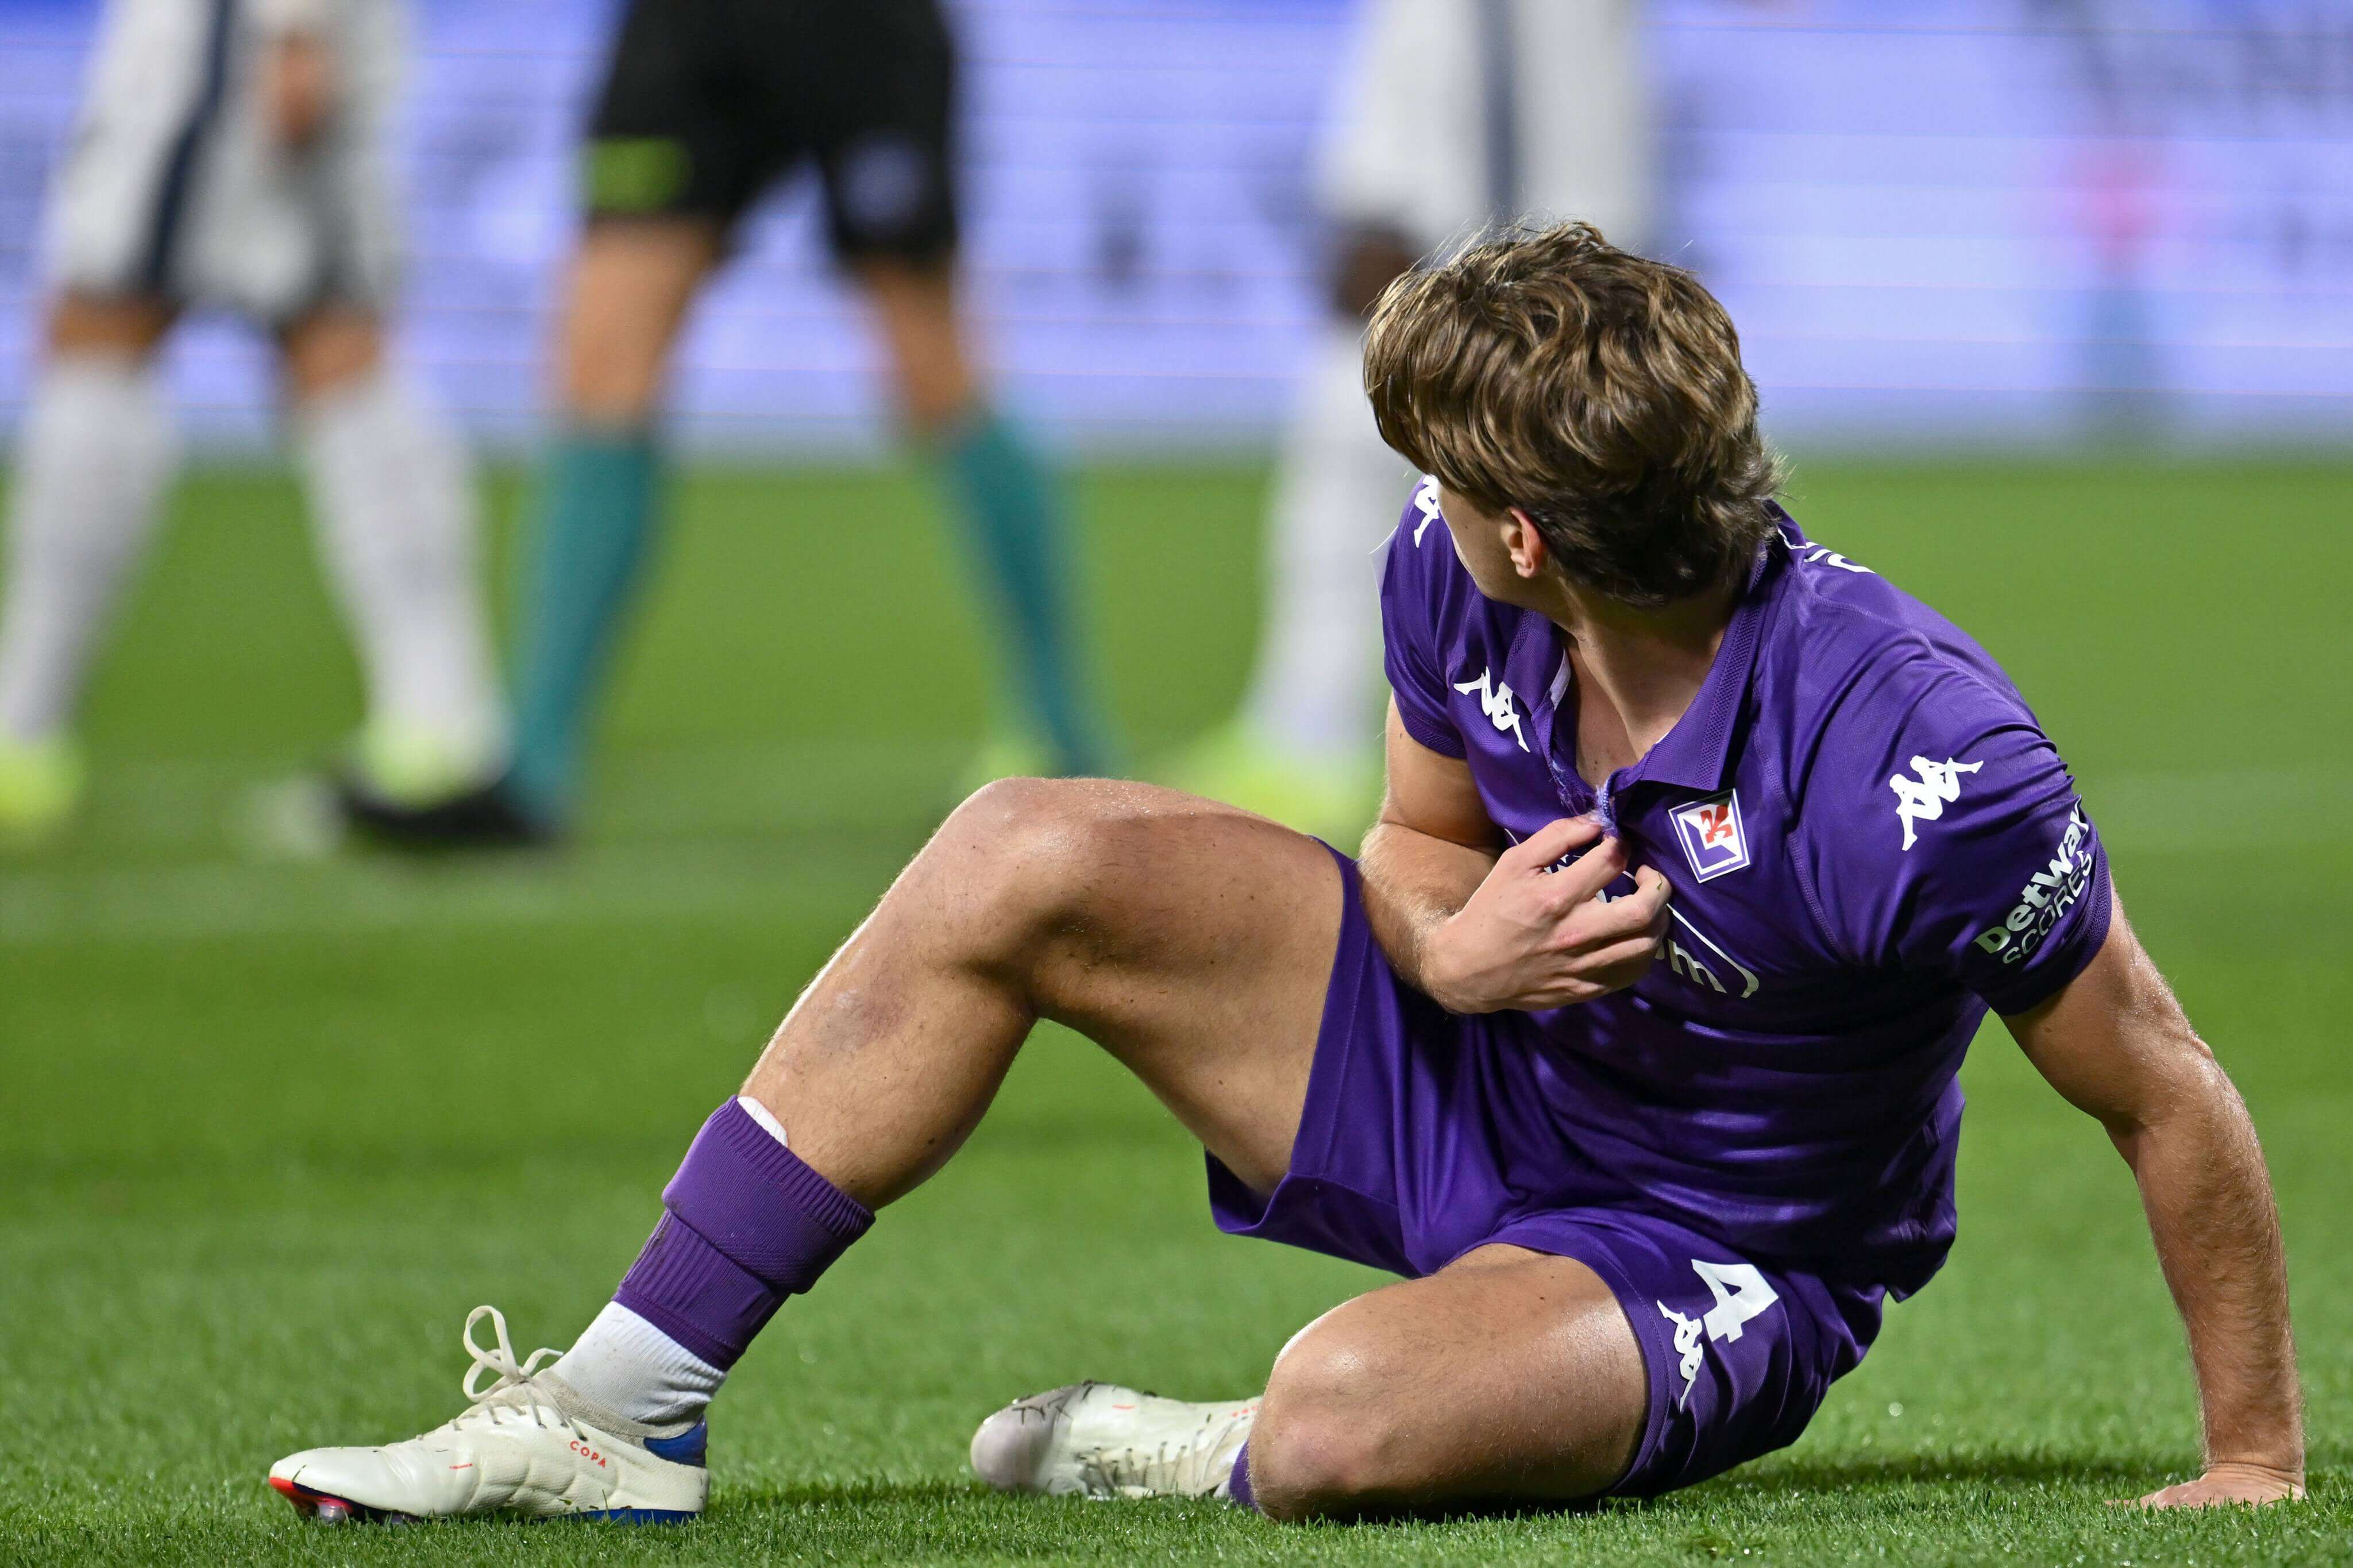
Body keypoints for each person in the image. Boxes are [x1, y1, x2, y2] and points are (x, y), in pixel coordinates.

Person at [265, 223, 2302, 1524]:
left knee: (1333, 1434)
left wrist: (2249, 1465)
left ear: (1531, 532)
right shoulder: (1456, 580)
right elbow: (1410, 849)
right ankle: (621, 1409)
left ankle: (1197, 1441)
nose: (1413, 499)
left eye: (1439, 472)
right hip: (1474, 1068)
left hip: (1708, 1245)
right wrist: (1457, 944)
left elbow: (2162, 1086)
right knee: (1027, 845)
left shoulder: (1916, 760)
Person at [363, 0, 1109, 847]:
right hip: (690, 30)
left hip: (855, 29)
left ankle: (1063, 732)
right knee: (601, 363)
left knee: (932, 368)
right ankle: (534, 772)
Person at [0, 0, 506, 848]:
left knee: (124, 320)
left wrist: (295, 28)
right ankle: (440, 720)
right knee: (320, 340)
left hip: (228, 39)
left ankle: (23, 731)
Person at [1178, 0, 1649, 842]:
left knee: (1521, 428)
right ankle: (1308, 728)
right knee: (1363, 416)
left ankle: (1573, 746)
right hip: (1443, 112)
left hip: (1503, 122)